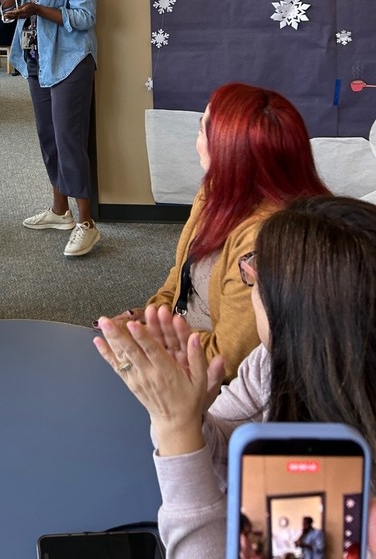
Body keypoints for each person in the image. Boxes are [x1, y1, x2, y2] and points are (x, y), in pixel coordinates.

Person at [93, 196, 376, 559]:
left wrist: (175, 426)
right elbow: (234, 441)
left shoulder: (360, 513)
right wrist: (193, 414)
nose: (249, 277)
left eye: (257, 279)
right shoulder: (272, 361)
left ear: (299, 318)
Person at [107, 82, 329, 381]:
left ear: (229, 153)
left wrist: (153, 343)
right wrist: (149, 318)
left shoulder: (263, 245)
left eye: (203, 130)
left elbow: (227, 361)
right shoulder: (216, 192)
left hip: (211, 382)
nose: (197, 138)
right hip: (180, 346)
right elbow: (181, 273)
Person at [0, 0, 99, 257]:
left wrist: (38, 10)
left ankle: (87, 224)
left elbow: (85, 18)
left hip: (69, 62)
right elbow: (5, 5)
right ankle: (59, 211)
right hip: (35, 61)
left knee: (69, 140)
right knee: (48, 138)